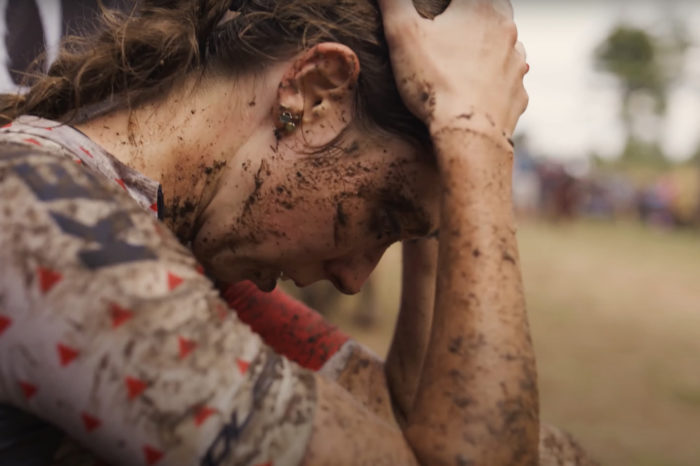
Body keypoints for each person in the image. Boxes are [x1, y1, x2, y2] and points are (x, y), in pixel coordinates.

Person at [0, 0, 557, 464]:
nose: (353, 281)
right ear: (314, 93)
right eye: (384, 217)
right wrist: (474, 134)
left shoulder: (165, 245)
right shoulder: (41, 217)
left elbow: (417, 421)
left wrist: (455, 159)